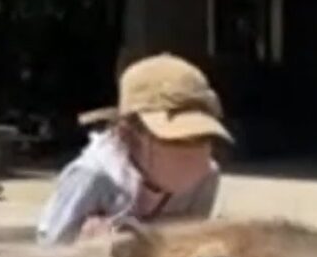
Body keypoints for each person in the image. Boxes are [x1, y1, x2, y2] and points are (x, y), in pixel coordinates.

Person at [36, 53, 232, 245]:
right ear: (128, 135)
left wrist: (125, 233)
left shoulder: (206, 177)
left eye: (202, 138)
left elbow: (190, 239)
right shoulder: (94, 177)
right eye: (176, 140)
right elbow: (50, 246)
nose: (191, 153)